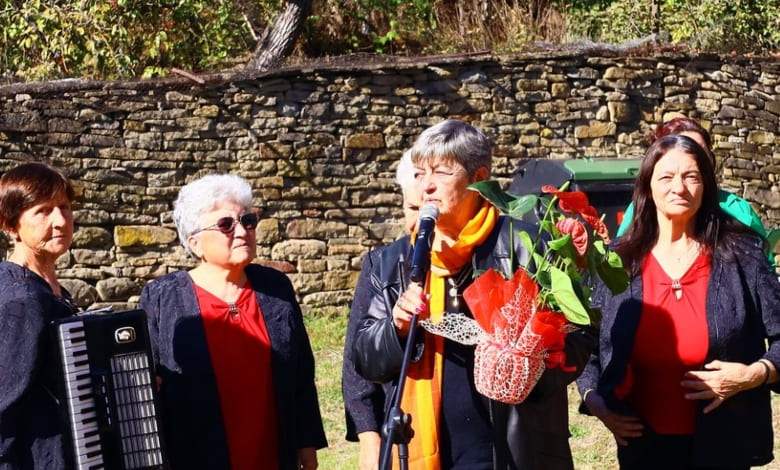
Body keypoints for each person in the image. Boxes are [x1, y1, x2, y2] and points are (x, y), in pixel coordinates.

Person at [352, 119, 596, 470]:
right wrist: (397, 327)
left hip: (515, 451)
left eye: (441, 172)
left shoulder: (528, 247)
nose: (426, 187)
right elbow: (365, 361)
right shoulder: (391, 262)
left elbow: (580, 335)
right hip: (424, 448)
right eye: (420, 174)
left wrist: (532, 366)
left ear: (479, 177)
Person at [576, 134, 780, 469]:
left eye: (691, 177)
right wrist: (595, 400)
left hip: (725, 446)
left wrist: (754, 374)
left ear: (706, 186)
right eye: (666, 177)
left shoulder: (743, 254)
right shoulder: (617, 261)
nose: (679, 188)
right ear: (648, 186)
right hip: (643, 449)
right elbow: (588, 348)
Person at [139, 173, 327, 470]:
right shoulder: (163, 298)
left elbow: (301, 370)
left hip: (272, 454)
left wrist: (306, 442)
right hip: (197, 457)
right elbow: (149, 387)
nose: (242, 231)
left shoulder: (275, 288)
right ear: (195, 243)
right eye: (226, 224)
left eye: (247, 220)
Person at [342, 151, 421, 470]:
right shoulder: (384, 265)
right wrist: (369, 438)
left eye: (428, 208)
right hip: (401, 426)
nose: (420, 220)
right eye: (411, 208)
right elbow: (355, 362)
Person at [0, 162, 78, 469]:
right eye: (43, 211)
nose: (60, 221)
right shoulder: (21, 300)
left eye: (65, 207)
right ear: (10, 224)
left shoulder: (52, 292)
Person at [617, 117, 768, 240]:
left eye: (701, 152)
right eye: (685, 149)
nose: (694, 160)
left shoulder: (738, 210)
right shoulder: (641, 210)